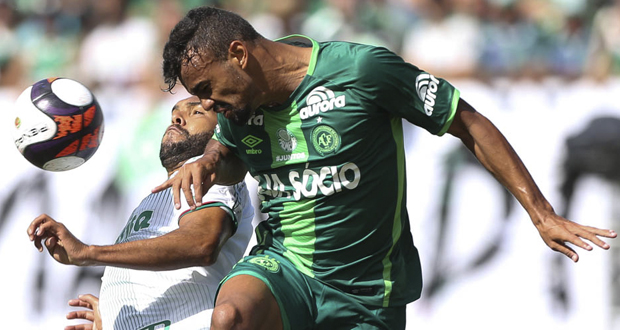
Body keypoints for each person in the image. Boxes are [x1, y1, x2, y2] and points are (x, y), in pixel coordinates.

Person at [155, 7, 617, 330]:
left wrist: (542, 214)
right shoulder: (238, 107)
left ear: (239, 54)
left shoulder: (359, 70)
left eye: (206, 87)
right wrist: (209, 162)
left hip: (368, 291)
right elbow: (230, 153)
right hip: (285, 268)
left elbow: (468, 122)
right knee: (231, 318)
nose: (207, 103)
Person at [27, 96, 255, 330]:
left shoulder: (213, 175)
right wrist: (113, 314)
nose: (177, 118)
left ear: (223, 133)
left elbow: (201, 244)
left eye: (196, 113)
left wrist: (87, 252)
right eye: (174, 113)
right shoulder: (159, 194)